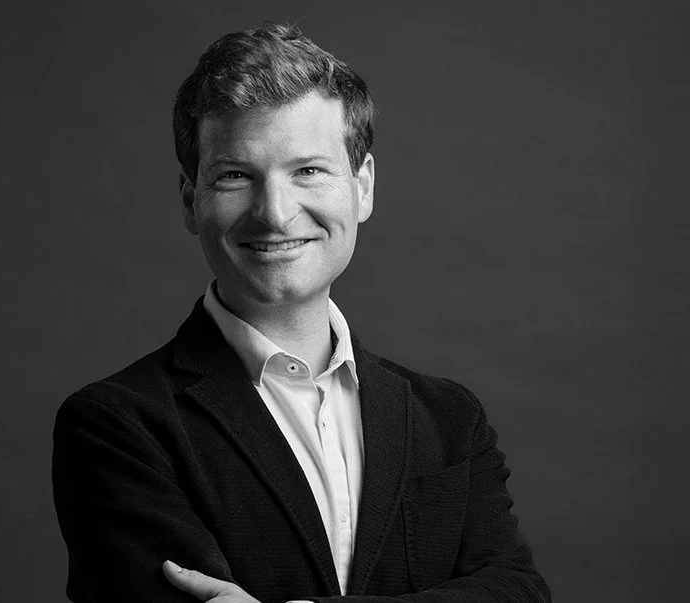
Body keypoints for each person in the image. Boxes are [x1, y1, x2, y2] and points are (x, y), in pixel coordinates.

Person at [52, 22, 551, 603]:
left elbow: (519, 593)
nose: (276, 213)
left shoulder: (449, 419)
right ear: (191, 200)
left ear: (362, 187)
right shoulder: (117, 427)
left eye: (308, 170)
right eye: (236, 176)